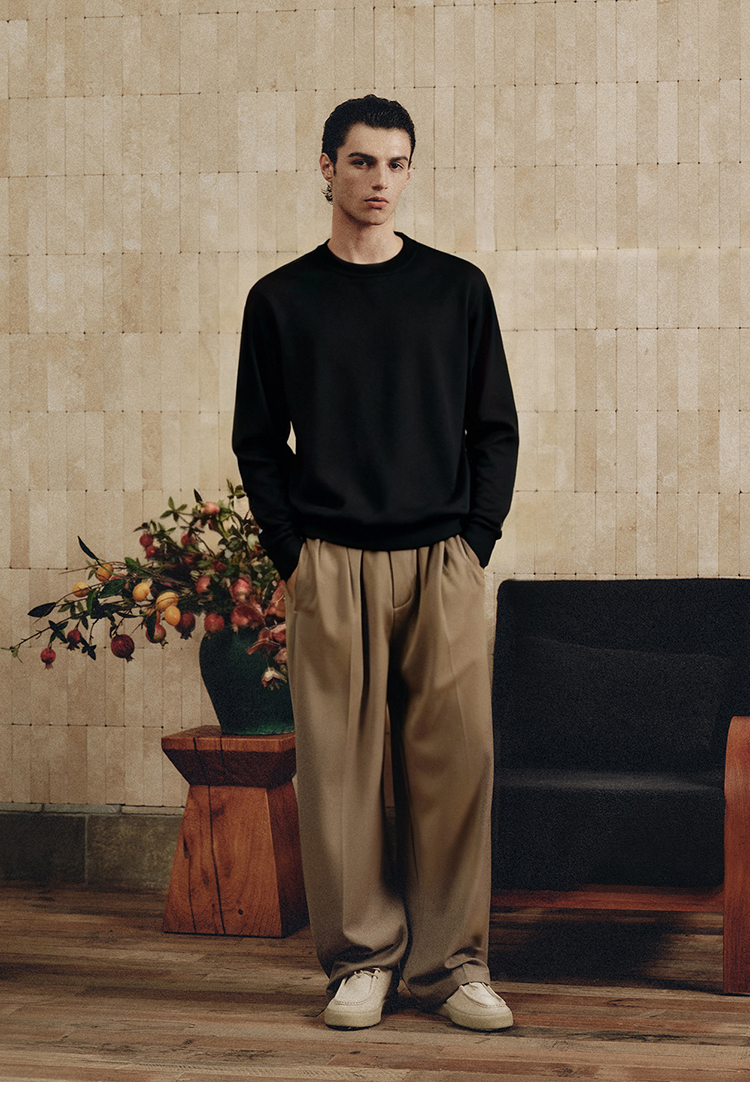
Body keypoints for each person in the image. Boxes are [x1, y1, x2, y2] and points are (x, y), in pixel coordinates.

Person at [232, 95, 519, 1032]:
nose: (380, 181)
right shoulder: (281, 300)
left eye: (397, 164)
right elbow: (257, 443)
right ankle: (361, 961)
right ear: (327, 168)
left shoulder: (456, 289)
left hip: (442, 560)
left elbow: (494, 428)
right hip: (332, 562)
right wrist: (292, 555)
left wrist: (474, 544)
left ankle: (453, 965)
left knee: (456, 766)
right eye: (362, 162)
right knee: (342, 777)